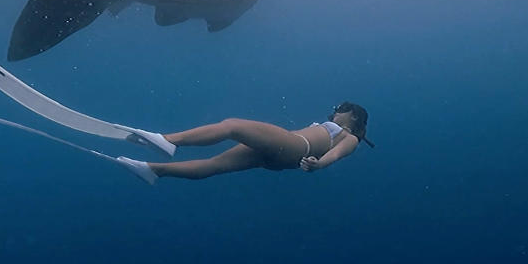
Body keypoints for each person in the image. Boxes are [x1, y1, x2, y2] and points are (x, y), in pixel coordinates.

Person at [118, 102, 373, 184]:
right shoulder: (338, 130)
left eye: (340, 109)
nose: (335, 112)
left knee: (232, 126)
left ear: (353, 116)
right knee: (215, 165)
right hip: (282, 156)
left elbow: (337, 154)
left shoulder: (349, 137)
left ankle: (168, 141)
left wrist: (319, 165)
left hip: (294, 147)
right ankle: (153, 170)